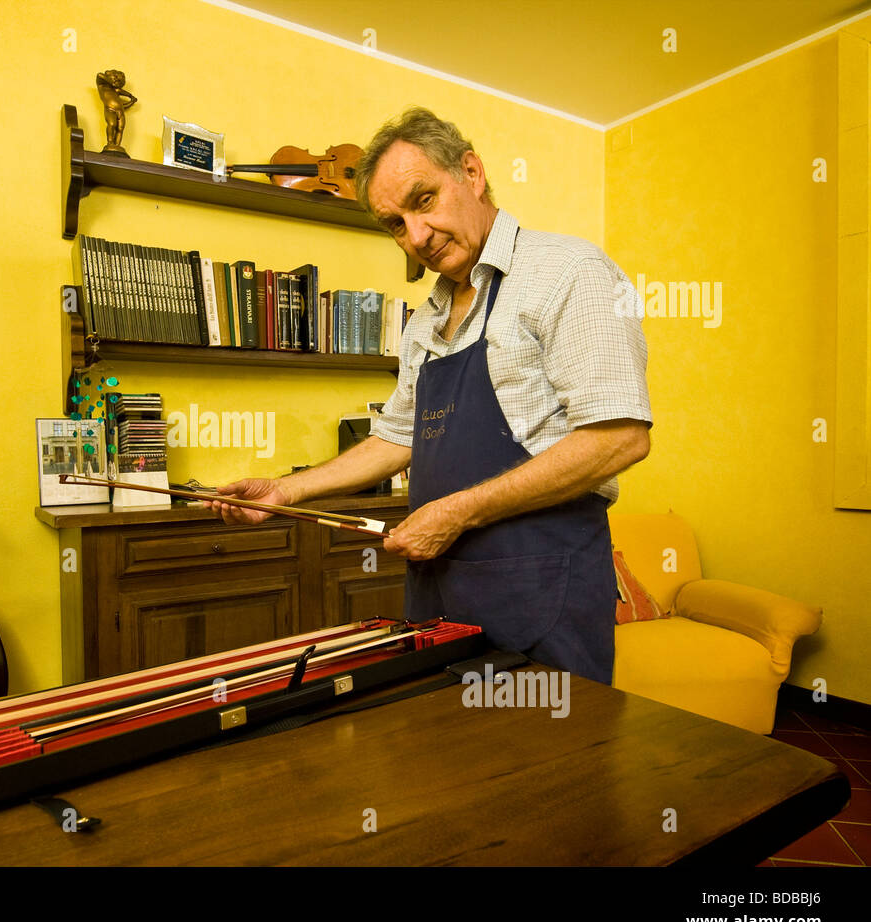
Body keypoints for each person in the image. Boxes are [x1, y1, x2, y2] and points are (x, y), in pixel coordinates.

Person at [209, 107, 651, 685]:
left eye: (423, 201)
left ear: (471, 172)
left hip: (543, 584)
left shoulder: (569, 272)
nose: (415, 236)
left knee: (550, 766)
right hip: (438, 585)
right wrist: (284, 491)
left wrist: (456, 512)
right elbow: (396, 436)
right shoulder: (426, 319)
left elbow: (619, 440)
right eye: (395, 223)